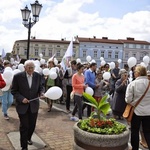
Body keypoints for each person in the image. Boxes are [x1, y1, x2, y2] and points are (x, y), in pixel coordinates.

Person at [11, 60, 44, 150]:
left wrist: (41, 93)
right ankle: (24, 146)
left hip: (34, 105)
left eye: (32, 67)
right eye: (29, 67)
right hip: (22, 106)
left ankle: (28, 138)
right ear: (24, 68)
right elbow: (14, 91)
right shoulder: (18, 77)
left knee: (32, 125)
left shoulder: (37, 76)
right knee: (24, 126)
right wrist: (22, 98)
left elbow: (41, 87)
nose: (31, 69)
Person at [125, 65, 150, 150]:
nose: (134, 73)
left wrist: (134, 103)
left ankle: (135, 148)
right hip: (148, 112)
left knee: (135, 131)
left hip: (136, 111)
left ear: (138, 73)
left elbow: (128, 99)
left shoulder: (133, 83)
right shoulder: (149, 83)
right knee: (147, 131)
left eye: (135, 72)